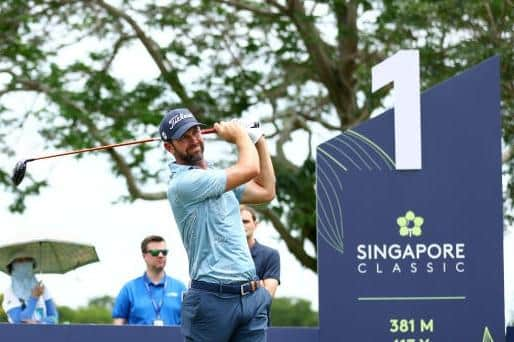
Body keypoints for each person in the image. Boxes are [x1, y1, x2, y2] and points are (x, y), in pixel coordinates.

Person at [160, 108, 276, 341]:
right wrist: (239, 137)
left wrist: (258, 139)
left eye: (195, 132)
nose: (193, 140)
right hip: (211, 300)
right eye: (184, 137)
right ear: (169, 148)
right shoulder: (184, 183)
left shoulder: (215, 176)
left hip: (250, 296)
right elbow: (249, 169)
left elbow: (266, 191)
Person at [112, 235, 186, 326]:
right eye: (155, 252)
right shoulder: (129, 289)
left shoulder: (181, 288)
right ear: (144, 256)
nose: (160, 255)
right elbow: (118, 324)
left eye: (164, 252)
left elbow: (190, 324)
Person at [1, 253, 58, 324]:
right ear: (12, 267)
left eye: (28, 260)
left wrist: (38, 322)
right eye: (20, 261)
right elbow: (18, 320)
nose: (24, 263)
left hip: (44, 334)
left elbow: (54, 318)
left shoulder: (43, 288)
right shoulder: (9, 292)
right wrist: (34, 298)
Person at [240, 205, 280, 298]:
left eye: (245, 221)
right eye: (237, 222)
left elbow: (268, 295)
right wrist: (258, 285)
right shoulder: (223, 254)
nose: (241, 225)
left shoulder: (270, 255)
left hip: (256, 312)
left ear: (255, 224)